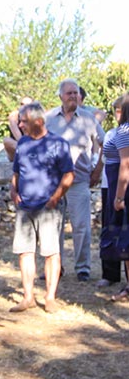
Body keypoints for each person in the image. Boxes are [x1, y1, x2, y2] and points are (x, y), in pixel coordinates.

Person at [9, 102, 74, 313]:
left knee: (51, 252)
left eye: (24, 121)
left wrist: (55, 198)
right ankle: (27, 297)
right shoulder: (23, 144)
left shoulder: (58, 144)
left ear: (38, 121)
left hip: (49, 208)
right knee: (25, 252)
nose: (20, 125)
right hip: (25, 207)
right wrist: (13, 191)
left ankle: (50, 298)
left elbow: (68, 175)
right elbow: (16, 172)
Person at [46, 78, 105, 281]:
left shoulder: (88, 119)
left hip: (80, 180)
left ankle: (83, 269)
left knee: (81, 226)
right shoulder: (49, 118)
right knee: (53, 227)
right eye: (69, 93)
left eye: (75, 93)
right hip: (54, 182)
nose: (73, 96)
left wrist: (97, 169)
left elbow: (104, 143)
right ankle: (55, 267)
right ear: (60, 96)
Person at [97, 93, 129, 302]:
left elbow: (125, 165)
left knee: (126, 240)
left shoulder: (125, 130)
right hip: (116, 185)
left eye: (119, 109)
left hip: (123, 190)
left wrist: (118, 197)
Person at [91, 96, 124, 287]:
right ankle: (110, 274)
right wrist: (95, 174)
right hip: (108, 187)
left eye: (121, 110)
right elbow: (102, 159)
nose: (118, 114)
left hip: (123, 189)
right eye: (116, 111)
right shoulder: (111, 134)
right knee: (110, 229)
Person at [3, 96, 34, 162]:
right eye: (22, 104)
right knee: (7, 141)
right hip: (18, 151)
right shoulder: (15, 117)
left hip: (31, 147)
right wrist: (13, 123)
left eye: (27, 105)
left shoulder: (36, 118)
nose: (24, 107)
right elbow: (20, 140)